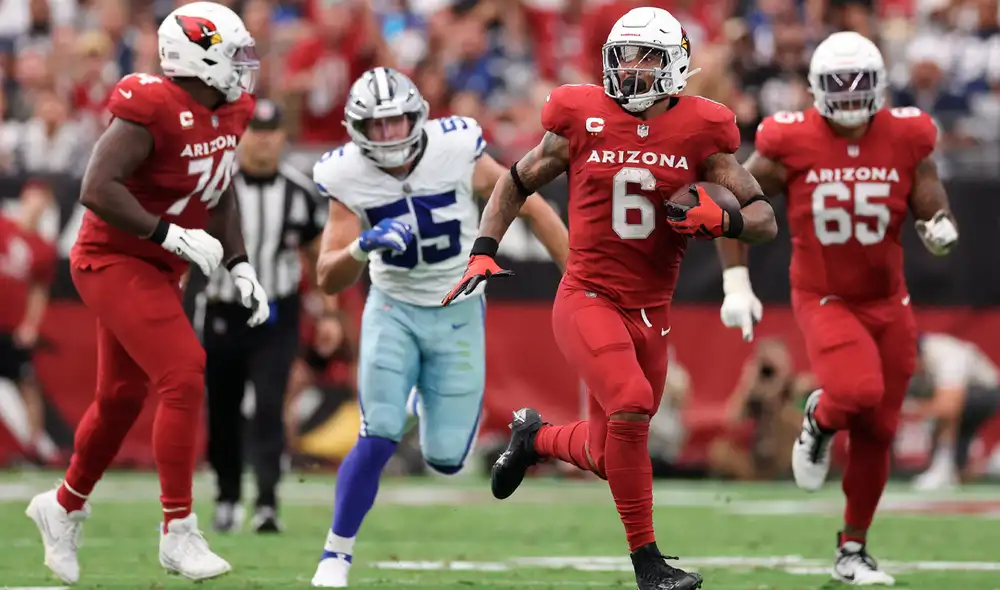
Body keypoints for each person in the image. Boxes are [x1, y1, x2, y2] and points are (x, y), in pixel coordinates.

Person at [443, 8, 777, 590]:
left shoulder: (703, 129)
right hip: (588, 294)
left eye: (646, 57)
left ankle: (534, 437)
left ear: (675, 64)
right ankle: (648, 563)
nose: (630, 67)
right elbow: (518, 178)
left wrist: (721, 223)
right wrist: (483, 245)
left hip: (653, 310)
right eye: (623, 54)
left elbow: (763, 218)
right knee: (629, 399)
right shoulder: (581, 115)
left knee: (608, 452)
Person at [24, 2, 269, 584]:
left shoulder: (232, 109)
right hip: (111, 258)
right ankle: (178, 530)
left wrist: (239, 264)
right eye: (232, 54)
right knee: (184, 372)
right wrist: (171, 233)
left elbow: (220, 188)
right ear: (197, 57)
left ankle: (62, 506)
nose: (243, 67)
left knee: (120, 398)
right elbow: (96, 187)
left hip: (161, 266)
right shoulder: (151, 105)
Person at [310, 66, 569, 588]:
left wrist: (578, 279)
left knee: (448, 460)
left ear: (418, 117)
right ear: (357, 129)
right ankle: (335, 555)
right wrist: (363, 245)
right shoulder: (346, 175)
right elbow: (327, 278)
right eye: (376, 125)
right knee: (378, 431)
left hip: (457, 310)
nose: (388, 135)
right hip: (394, 308)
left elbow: (531, 204)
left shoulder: (455, 147)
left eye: (397, 121)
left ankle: (415, 400)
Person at [715, 32, 959, 585]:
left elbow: (926, 186)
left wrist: (936, 220)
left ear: (880, 86)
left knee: (879, 429)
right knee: (857, 392)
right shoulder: (790, 138)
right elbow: (735, 201)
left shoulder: (907, 131)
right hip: (824, 294)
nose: (849, 97)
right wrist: (735, 280)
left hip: (888, 299)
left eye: (859, 85)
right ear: (814, 90)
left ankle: (853, 548)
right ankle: (820, 420)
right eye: (837, 86)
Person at [191, 99, 325, 534]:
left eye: (271, 131)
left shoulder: (300, 192)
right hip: (222, 309)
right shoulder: (214, 187)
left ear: (283, 137)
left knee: (270, 404)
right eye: (255, 130)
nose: (263, 140)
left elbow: (315, 256)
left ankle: (267, 501)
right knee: (223, 408)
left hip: (276, 312)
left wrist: (327, 312)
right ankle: (228, 496)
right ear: (241, 135)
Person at [0, 180, 57, 456]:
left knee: (27, 384)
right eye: (33, 197)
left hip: (12, 327)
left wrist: (31, 324)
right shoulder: (2, 228)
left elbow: (39, 291)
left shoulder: (43, 248)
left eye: (42, 200)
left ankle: (33, 447)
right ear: (23, 198)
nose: (36, 204)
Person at [708, 337, 813, 481]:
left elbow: (805, 428)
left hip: (784, 455)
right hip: (756, 456)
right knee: (720, 451)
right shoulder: (754, 392)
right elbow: (731, 421)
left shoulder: (797, 387)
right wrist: (747, 385)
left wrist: (779, 391)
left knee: (788, 426)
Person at [908, 333, 1000, 490]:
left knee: (946, 410)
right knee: (961, 466)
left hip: (983, 394)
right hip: (950, 398)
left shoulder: (947, 354)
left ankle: (944, 467)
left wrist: (911, 408)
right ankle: (956, 465)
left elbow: (948, 406)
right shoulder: (896, 364)